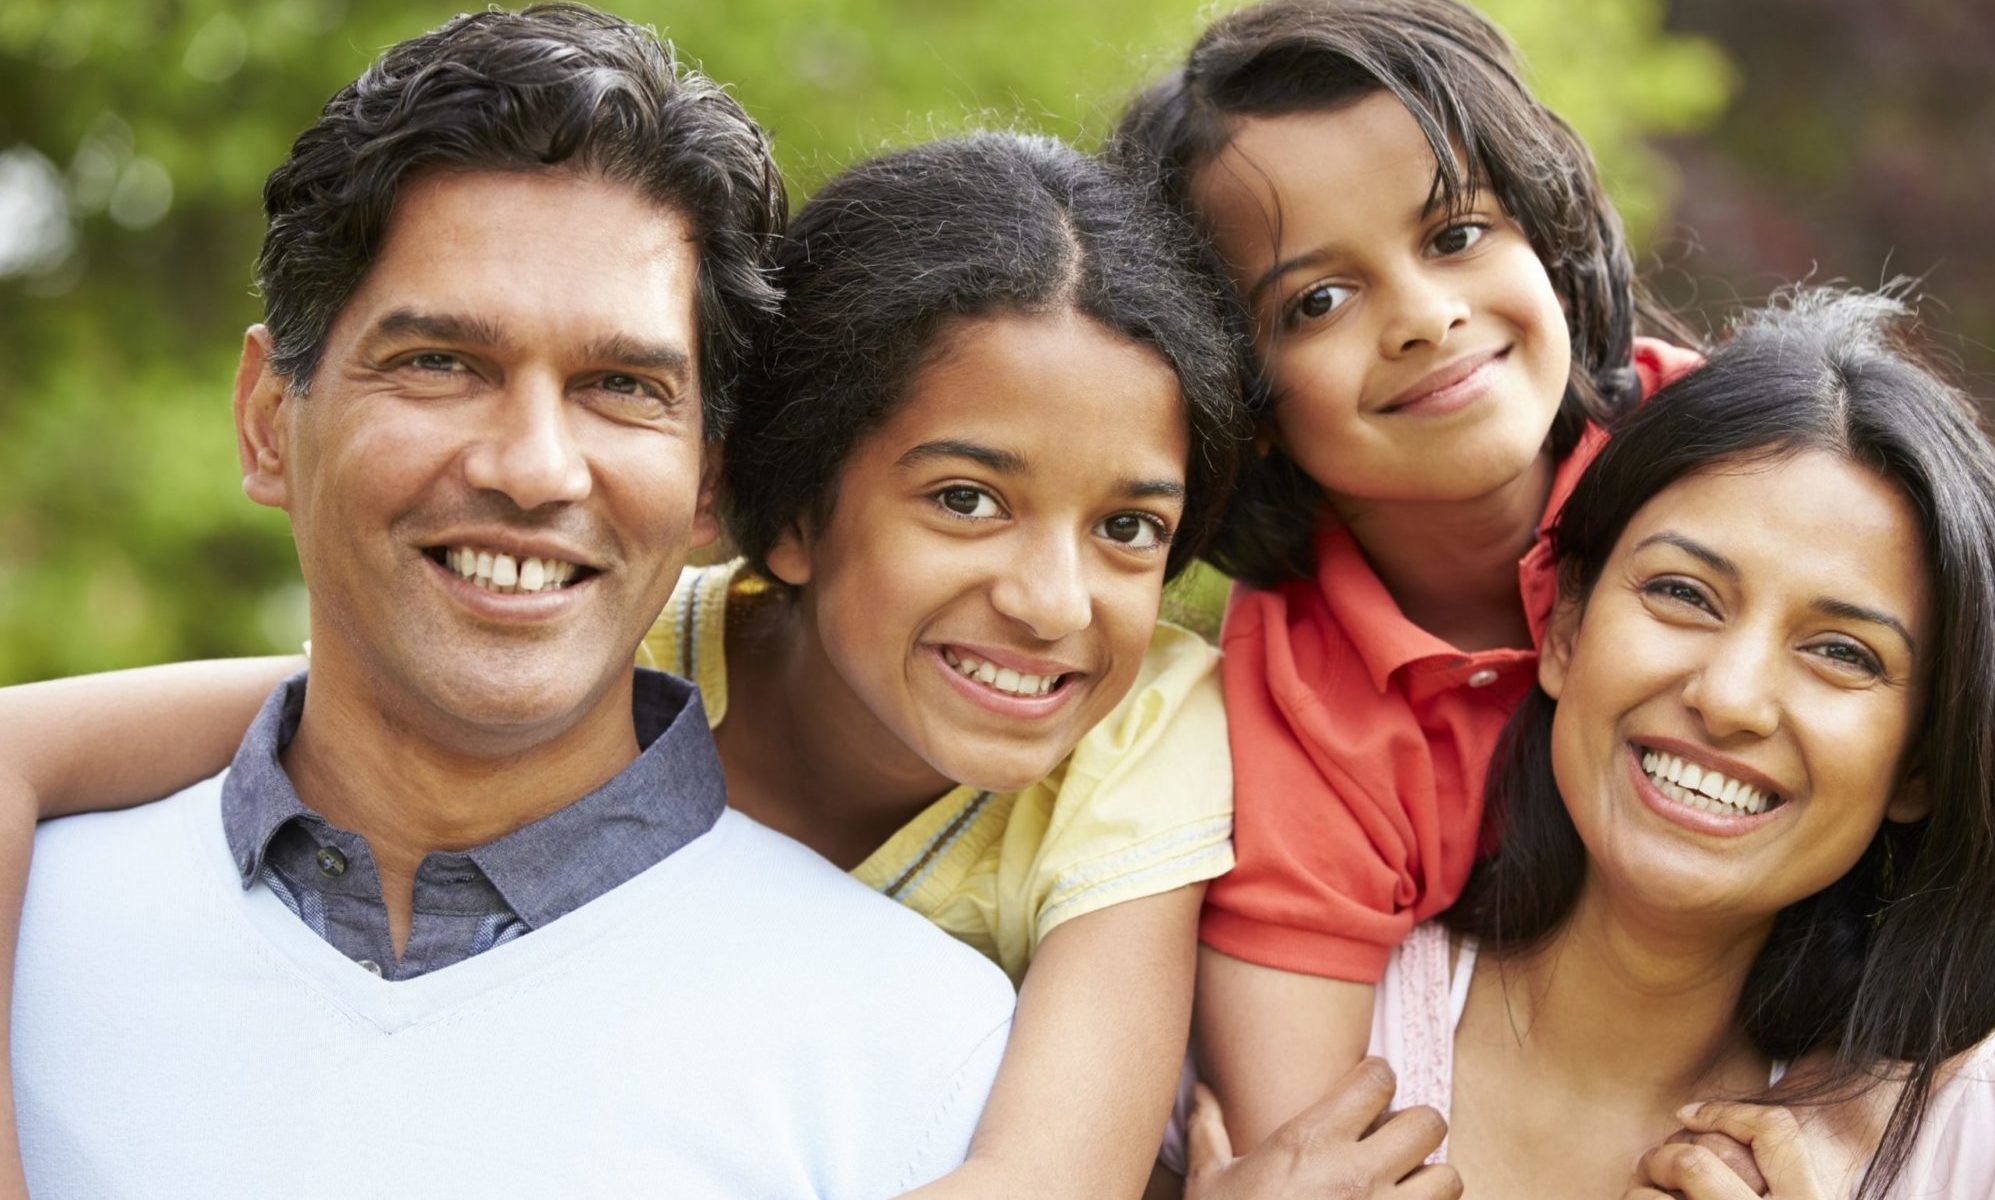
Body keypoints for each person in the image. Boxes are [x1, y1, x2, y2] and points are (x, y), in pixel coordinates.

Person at [0, 114, 1275, 1200]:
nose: (1051, 600)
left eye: (1128, 528)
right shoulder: (630, 629)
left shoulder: (1127, 761)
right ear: (780, 511)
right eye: (964, 499)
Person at [1189, 290, 1995, 1199]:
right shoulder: (1254, 1035)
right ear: (1565, 629)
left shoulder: (1959, 1145)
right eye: (1683, 594)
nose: (1730, 700)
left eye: (1841, 653)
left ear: (1918, 762)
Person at [1110, 0, 1704, 1154]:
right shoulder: (1298, 693)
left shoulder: (1743, 473)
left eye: (1456, 235)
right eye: (1316, 302)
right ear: (1243, 400)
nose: (1427, 319)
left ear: (1548, 237)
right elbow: (1319, 1143)